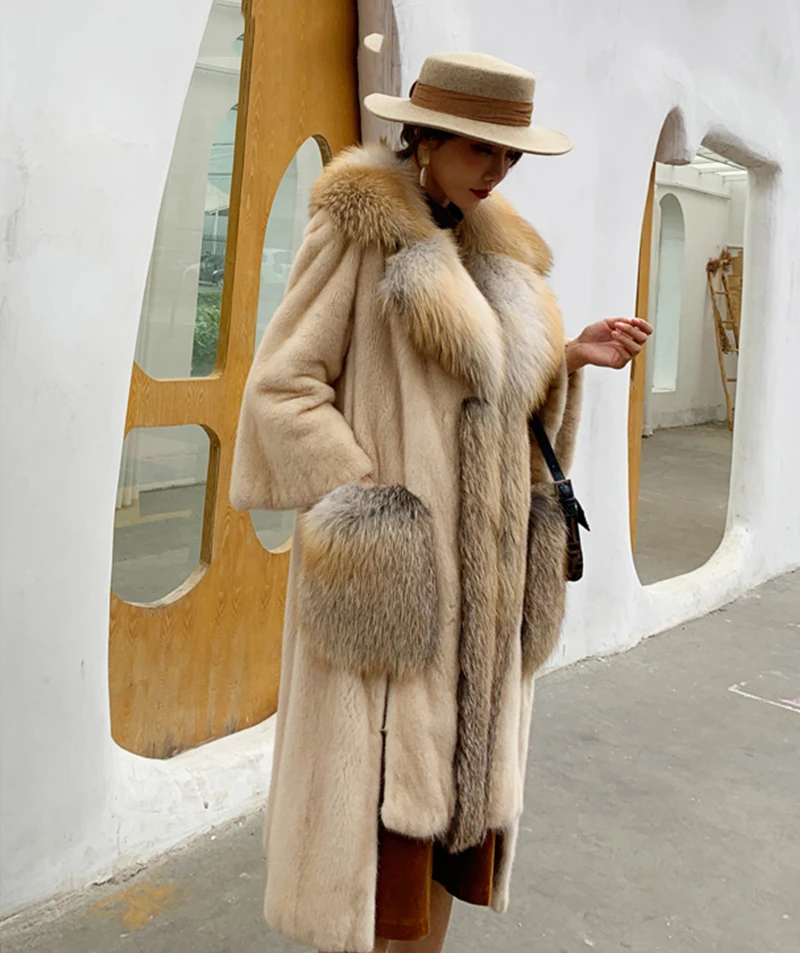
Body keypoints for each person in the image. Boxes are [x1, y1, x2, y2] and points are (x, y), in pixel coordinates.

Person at [230, 51, 652, 953]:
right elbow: (281, 389)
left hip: (484, 600)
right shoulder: (360, 234)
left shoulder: (501, 251)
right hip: (400, 594)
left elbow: (488, 401)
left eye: (510, 155)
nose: (498, 171)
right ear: (424, 138)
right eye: (479, 149)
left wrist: (566, 356)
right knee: (372, 847)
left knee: (454, 837)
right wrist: (374, 512)